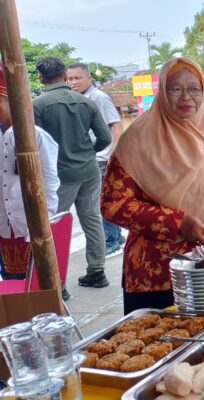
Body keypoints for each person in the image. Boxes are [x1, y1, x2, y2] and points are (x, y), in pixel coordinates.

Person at [100, 57, 204, 313]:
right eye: (175, 88)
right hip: (159, 273)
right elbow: (113, 204)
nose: (186, 97)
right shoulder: (137, 141)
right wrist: (177, 223)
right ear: (162, 93)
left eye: (194, 89)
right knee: (161, 347)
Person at [32, 56, 112, 290]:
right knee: (92, 220)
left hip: (58, 176)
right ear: (65, 76)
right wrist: (87, 152)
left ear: (40, 78)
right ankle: (97, 272)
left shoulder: (37, 105)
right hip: (88, 170)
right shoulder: (86, 102)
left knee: (55, 227)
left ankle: (59, 283)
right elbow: (105, 137)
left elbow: (33, 143)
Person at [0, 65, 59, 280]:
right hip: (4, 224)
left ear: (9, 101)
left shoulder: (34, 135)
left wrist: (48, 219)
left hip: (30, 222)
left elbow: (50, 179)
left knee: (40, 282)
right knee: (11, 283)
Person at [66, 62, 125, 258]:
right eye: (70, 78)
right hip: (92, 158)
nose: (73, 82)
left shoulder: (98, 97)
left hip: (102, 158)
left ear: (89, 78)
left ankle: (111, 240)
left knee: (100, 203)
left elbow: (116, 125)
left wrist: (112, 155)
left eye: (78, 78)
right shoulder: (77, 99)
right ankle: (115, 236)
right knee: (103, 201)